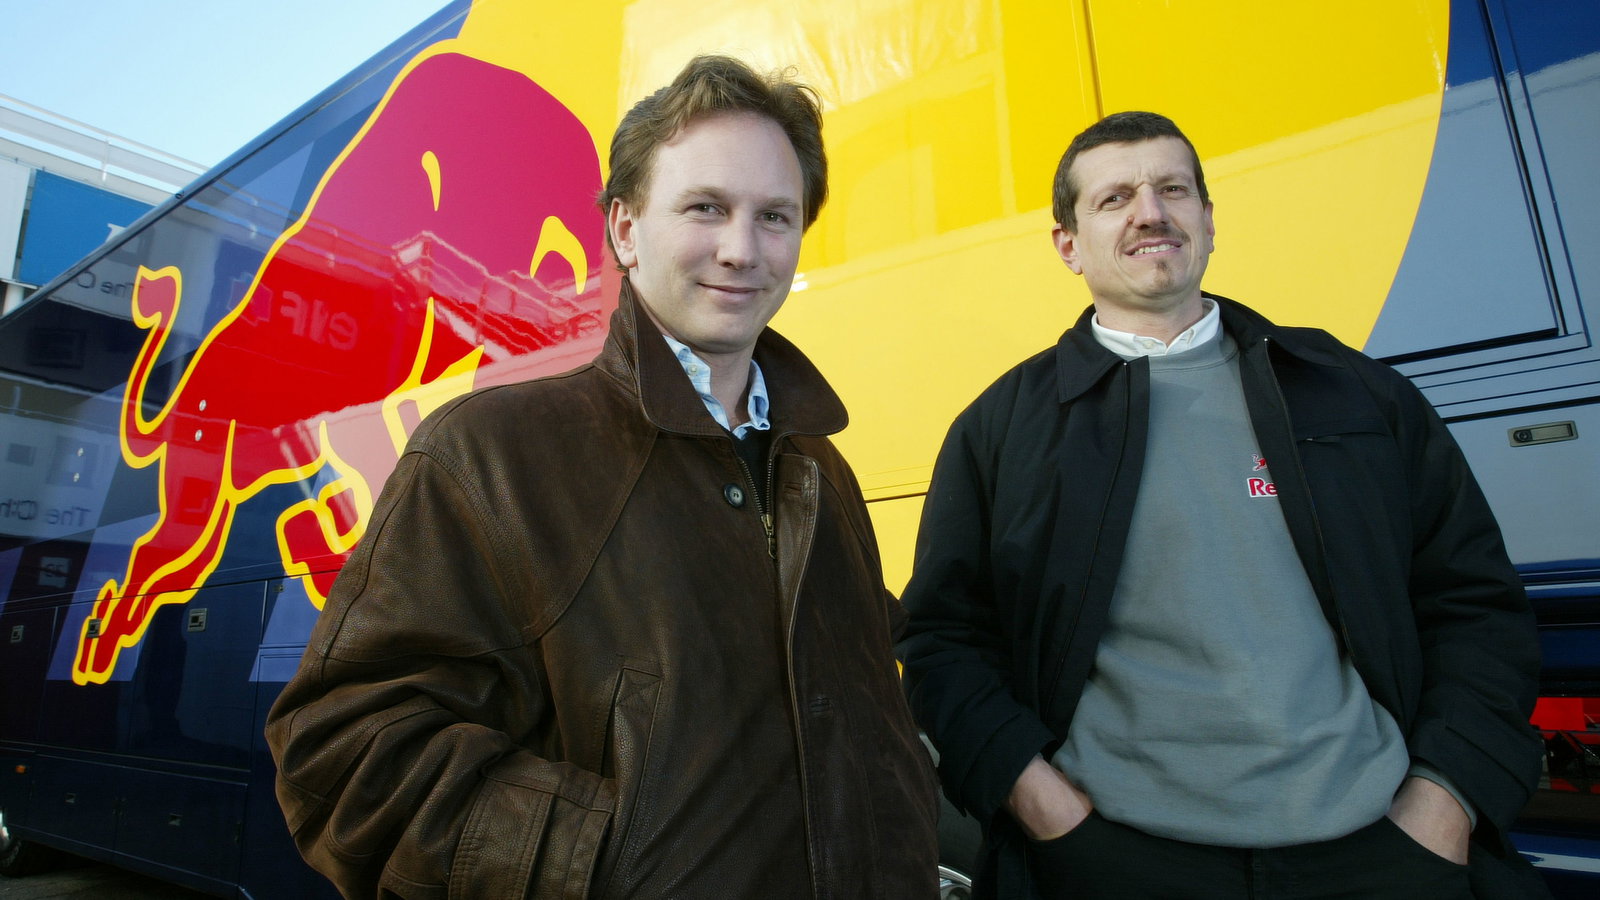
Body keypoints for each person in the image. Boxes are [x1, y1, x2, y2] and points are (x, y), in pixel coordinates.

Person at [267, 55, 939, 899]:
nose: (742, 249)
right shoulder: (490, 453)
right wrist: (601, 863)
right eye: (706, 207)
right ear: (624, 229)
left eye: (775, 216)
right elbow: (341, 752)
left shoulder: (821, 469)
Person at [898, 111, 1546, 899]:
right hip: (1121, 864)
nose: (1150, 212)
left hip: (1375, 853)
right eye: (1114, 199)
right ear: (1068, 245)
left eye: (1173, 189)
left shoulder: (1353, 393)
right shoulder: (1001, 431)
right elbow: (943, 641)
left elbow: (1474, 602)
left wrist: (1444, 804)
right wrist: (1047, 812)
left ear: (1208, 220)